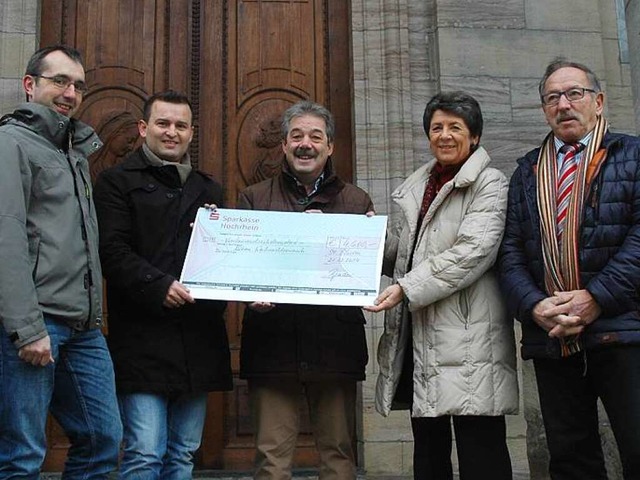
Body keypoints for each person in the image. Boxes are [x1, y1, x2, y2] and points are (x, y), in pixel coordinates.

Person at [498, 59, 640, 479]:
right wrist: (535, 307)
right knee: (570, 459)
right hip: (553, 336)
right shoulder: (527, 171)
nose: (564, 104)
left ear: (598, 101)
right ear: (544, 110)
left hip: (623, 330)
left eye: (574, 93)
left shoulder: (632, 155)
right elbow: (509, 251)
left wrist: (596, 298)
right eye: (553, 98)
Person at [366, 92, 517, 480]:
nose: (444, 135)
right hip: (422, 336)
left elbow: (472, 253)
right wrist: (360, 239)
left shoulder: (490, 183)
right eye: (437, 128)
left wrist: (404, 289)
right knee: (429, 455)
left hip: (470, 341)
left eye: (455, 127)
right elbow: (400, 255)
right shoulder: (418, 186)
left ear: (475, 137)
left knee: (481, 454)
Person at [93, 90, 233, 479]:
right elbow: (112, 250)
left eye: (181, 126)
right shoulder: (115, 182)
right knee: (144, 452)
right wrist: (158, 286)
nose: (172, 132)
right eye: (163, 123)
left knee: (183, 455)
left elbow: (226, 255)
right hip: (141, 340)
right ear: (143, 128)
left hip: (198, 341)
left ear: (191, 133)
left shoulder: (210, 189)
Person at [0, 45, 122, 478]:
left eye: (78, 85)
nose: (71, 93)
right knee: (23, 453)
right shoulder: (10, 143)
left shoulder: (72, 153)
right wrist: (27, 328)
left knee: (103, 438)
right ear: (30, 85)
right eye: (60, 81)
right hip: (34, 324)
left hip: (82, 327)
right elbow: (6, 238)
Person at [237, 100, 374, 480]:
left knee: (338, 455)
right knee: (271, 460)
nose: (305, 144)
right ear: (283, 145)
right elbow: (242, 265)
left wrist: (338, 238)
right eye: (296, 136)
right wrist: (251, 295)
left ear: (330, 147)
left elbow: (364, 271)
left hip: (335, 344)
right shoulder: (253, 198)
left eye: (316, 136)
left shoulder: (356, 201)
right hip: (273, 343)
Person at [89, 110, 140, 181]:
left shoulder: (128, 168)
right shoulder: (87, 165)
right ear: (114, 133)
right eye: (129, 141)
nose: (131, 147)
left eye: (134, 142)